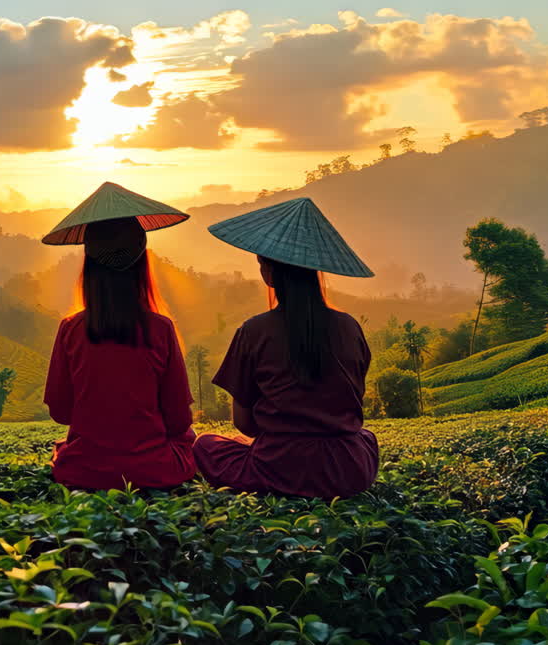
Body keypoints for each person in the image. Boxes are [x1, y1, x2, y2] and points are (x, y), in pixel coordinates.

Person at [192, 197, 379, 497]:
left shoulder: (254, 330)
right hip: (347, 470)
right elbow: (353, 408)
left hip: (280, 467)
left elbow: (245, 424)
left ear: (270, 272)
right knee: (366, 437)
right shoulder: (350, 327)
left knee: (205, 445)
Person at [41, 182, 197, 490]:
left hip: (83, 470)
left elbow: (60, 412)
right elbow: (179, 421)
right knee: (197, 444)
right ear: (142, 264)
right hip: (153, 469)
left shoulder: (70, 329)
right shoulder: (161, 328)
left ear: (89, 267)